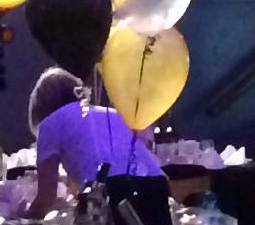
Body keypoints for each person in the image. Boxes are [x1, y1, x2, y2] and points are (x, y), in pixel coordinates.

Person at [26, 66, 159, 215]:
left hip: (115, 194)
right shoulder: (109, 115)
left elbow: (46, 199)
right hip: (157, 186)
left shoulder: (49, 125)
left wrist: (20, 220)